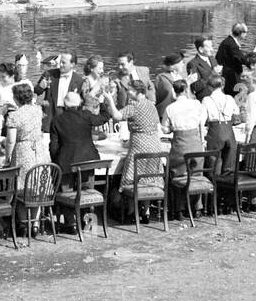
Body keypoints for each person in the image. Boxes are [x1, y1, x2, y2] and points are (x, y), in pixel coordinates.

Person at [120, 80, 164, 219]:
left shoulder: (134, 106)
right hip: (154, 145)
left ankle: (132, 210)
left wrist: (109, 100)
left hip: (139, 145)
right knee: (148, 178)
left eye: (131, 90)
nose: (128, 92)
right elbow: (155, 125)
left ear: (139, 92)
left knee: (133, 178)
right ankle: (146, 210)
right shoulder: (151, 105)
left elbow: (116, 116)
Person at [48, 89, 112, 184]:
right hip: (87, 159)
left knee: (66, 191)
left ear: (65, 104)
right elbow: (104, 117)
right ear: (78, 103)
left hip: (65, 161)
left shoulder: (56, 120)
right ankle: (89, 196)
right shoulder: (86, 115)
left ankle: (68, 196)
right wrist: (102, 103)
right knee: (86, 189)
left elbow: (53, 146)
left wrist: (56, 159)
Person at [163, 78, 206, 177]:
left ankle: (178, 189)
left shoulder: (170, 108)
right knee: (196, 172)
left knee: (176, 171)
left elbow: (165, 130)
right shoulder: (196, 104)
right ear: (186, 90)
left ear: (174, 91)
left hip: (180, 147)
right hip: (196, 145)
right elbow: (201, 123)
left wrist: (172, 128)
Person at [202, 74, 239, 175]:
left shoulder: (207, 100)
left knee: (214, 161)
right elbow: (236, 112)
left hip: (215, 130)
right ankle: (227, 182)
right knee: (229, 161)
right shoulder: (229, 98)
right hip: (228, 129)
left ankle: (214, 183)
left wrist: (202, 137)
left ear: (209, 86)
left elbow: (202, 119)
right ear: (222, 86)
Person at [215, 23, 248, 94]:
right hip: (233, 76)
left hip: (226, 74)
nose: (246, 35)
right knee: (235, 94)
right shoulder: (232, 44)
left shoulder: (225, 41)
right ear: (241, 33)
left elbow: (218, 58)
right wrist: (251, 62)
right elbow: (241, 59)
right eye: (246, 32)